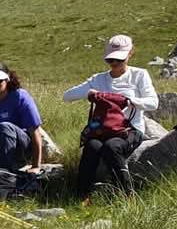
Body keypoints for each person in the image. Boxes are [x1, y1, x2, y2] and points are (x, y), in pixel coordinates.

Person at [63, 34, 159, 199]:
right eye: (110, 60)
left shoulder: (139, 75)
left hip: (130, 129)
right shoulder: (98, 79)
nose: (114, 64)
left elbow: (153, 103)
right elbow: (67, 96)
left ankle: (127, 194)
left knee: (111, 147)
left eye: (119, 60)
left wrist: (129, 101)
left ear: (131, 54)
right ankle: (83, 196)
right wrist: (91, 92)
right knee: (91, 146)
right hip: (103, 129)